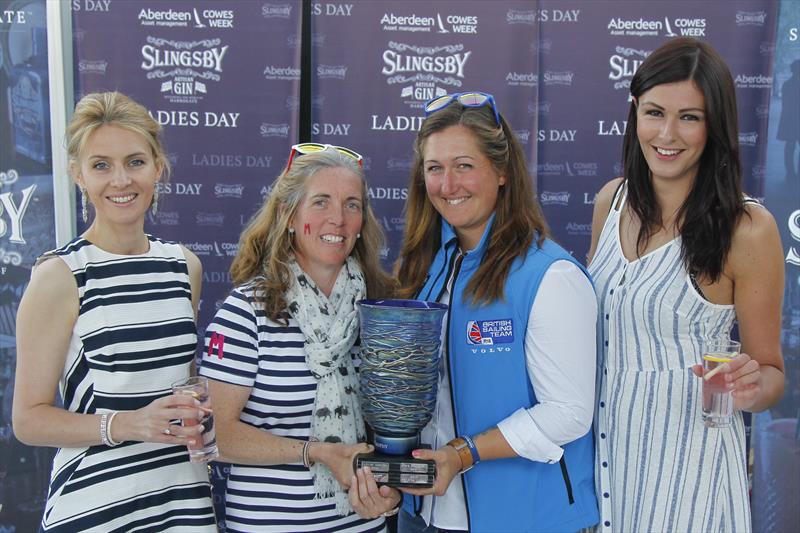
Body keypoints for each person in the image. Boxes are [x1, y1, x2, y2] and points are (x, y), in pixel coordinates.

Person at [587, 37, 785, 532]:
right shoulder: (610, 202)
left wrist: (750, 386)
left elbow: (772, 373)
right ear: (634, 112)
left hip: (688, 480)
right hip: (603, 468)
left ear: (713, 124)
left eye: (690, 117)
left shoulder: (748, 228)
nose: (667, 133)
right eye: (655, 112)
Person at [394, 92, 600, 532]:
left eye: (464, 166)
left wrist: (464, 453)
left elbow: (569, 411)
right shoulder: (431, 269)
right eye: (435, 169)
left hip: (522, 519)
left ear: (502, 172)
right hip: (424, 515)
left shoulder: (550, 275)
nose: (448, 185)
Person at [12, 92, 216, 531]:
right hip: (98, 508)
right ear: (78, 175)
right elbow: (28, 420)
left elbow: (180, 384)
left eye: (135, 162)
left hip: (184, 502)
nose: (120, 180)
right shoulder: (60, 275)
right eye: (101, 165)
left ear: (158, 167)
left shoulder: (185, 265)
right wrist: (126, 424)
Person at [199, 144, 400, 532]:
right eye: (321, 202)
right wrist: (317, 453)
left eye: (352, 205)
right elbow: (213, 433)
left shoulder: (381, 312)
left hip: (361, 525)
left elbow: (391, 430)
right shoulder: (247, 311)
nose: (338, 219)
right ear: (289, 215)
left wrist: (392, 491)